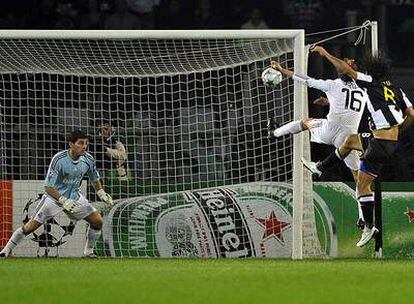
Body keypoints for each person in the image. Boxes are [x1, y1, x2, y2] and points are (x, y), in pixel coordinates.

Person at [306, 46, 408, 247]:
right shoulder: (397, 90)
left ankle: (369, 226)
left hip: (379, 143)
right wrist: (398, 131)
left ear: (371, 72)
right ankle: (319, 167)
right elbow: (411, 113)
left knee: (362, 186)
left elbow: (346, 70)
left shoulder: (370, 83)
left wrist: (325, 54)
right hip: (387, 141)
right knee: (351, 140)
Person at [0, 130, 113, 258]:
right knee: (30, 227)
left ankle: (89, 252)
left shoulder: (88, 159)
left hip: (75, 197)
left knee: (97, 221)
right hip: (54, 199)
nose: (84, 146)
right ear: (71, 144)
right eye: (80, 143)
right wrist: (63, 200)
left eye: (86, 143)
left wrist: (101, 192)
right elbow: (48, 187)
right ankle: (5, 251)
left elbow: (94, 178)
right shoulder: (59, 159)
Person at [268, 58, 369, 182]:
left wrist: (282, 70)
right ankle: (367, 200)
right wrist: (329, 102)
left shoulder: (333, 84)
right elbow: (350, 105)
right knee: (358, 175)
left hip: (328, 130)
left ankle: (273, 133)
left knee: (305, 123)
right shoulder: (364, 91)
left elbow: (306, 80)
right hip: (348, 138)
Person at [94, 116, 129, 182]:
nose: (104, 130)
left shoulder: (117, 143)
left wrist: (106, 149)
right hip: (98, 174)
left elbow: (123, 156)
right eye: (102, 128)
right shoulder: (93, 142)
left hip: (115, 175)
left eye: (106, 128)